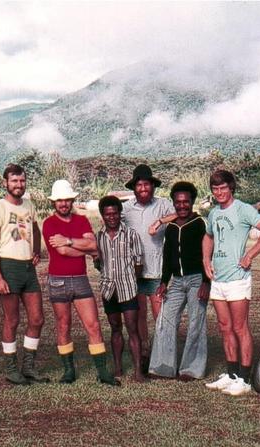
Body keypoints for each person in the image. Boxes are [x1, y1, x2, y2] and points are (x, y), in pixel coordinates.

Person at [203, 169, 260, 396]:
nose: (219, 192)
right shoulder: (214, 213)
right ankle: (232, 374)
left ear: (231, 187)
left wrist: (250, 255)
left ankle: (244, 379)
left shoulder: (243, 209)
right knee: (225, 328)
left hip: (238, 279)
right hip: (218, 280)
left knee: (240, 327)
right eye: (215, 189)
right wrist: (206, 260)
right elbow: (208, 236)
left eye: (223, 188)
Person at [42, 180, 119, 386]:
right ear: (54, 203)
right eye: (59, 201)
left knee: (93, 325)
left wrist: (68, 240)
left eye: (67, 200)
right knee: (63, 325)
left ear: (72, 200)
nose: (64, 204)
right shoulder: (49, 223)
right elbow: (64, 252)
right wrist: (85, 249)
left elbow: (94, 246)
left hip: (80, 279)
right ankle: (69, 371)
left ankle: (102, 372)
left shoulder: (82, 220)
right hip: (58, 280)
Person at [0, 164, 49, 385]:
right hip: (8, 266)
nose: (19, 185)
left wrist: (35, 251)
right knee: (12, 320)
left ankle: (29, 366)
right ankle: (11, 368)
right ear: (5, 183)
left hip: (27, 269)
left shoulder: (29, 205)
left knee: (37, 319)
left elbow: (36, 229)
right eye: (14, 181)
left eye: (22, 181)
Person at [148, 182, 210, 381]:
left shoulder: (200, 223)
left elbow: (207, 255)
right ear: (173, 203)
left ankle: (191, 369)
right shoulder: (172, 227)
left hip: (196, 280)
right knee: (165, 319)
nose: (182, 206)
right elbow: (168, 255)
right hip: (176, 281)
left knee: (196, 322)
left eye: (186, 202)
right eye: (178, 202)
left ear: (192, 202)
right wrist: (165, 281)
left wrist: (206, 282)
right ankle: (163, 367)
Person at [121, 164, 175, 371]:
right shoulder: (126, 208)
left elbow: (179, 215)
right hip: (135, 272)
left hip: (157, 270)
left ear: (153, 186)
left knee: (161, 315)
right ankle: (144, 353)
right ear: (134, 187)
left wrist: (160, 221)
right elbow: (111, 221)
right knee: (140, 316)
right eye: (139, 185)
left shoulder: (163, 204)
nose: (143, 188)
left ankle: (164, 357)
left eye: (147, 184)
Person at [95, 195, 145, 382]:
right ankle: (118, 368)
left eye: (115, 213)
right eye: (108, 214)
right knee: (115, 327)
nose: (112, 217)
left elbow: (139, 263)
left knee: (132, 328)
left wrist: (132, 280)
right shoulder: (98, 236)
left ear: (120, 213)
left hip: (128, 288)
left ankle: (138, 371)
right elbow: (98, 261)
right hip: (109, 289)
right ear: (103, 215)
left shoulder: (131, 234)